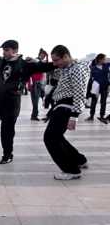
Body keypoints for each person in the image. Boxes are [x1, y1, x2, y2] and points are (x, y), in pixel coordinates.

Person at [0, 40, 55, 164]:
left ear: (15, 51)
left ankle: (7, 154)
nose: (4, 52)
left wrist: (62, 63)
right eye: (3, 50)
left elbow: (46, 67)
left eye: (6, 50)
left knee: (7, 129)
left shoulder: (24, 64)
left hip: (12, 101)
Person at [44, 45, 91, 180]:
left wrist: (74, 116)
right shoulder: (67, 68)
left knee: (50, 138)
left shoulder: (77, 70)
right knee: (57, 137)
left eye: (56, 60)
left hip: (67, 107)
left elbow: (79, 93)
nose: (55, 64)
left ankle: (71, 170)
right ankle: (79, 160)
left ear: (66, 56)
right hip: (62, 106)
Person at [86, 53, 109, 124]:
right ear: (100, 60)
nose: (105, 60)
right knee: (94, 102)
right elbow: (90, 79)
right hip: (96, 87)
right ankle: (91, 115)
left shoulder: (107, 65)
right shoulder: (93, 68)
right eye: (104, 59)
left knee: (103, 102)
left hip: (105, 86)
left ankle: (102, 116)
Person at [28, 48, 48, 121]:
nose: (44, 56)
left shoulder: (41, 61)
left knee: (37, 100)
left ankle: (34, 115)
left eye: (45, 56)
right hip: (35, 83)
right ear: (40, 54)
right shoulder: (36, 61)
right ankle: (34, 115)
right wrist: (30, 84)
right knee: (35, 100)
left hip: (39, 83)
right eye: (43, 55)